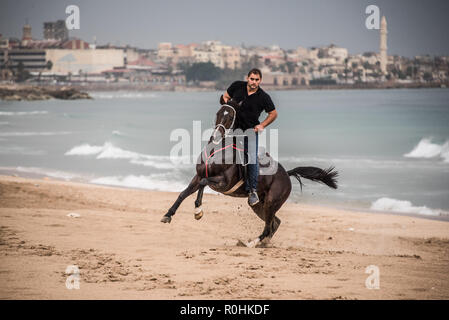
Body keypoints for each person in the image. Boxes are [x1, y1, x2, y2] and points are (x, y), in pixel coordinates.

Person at [222, 68, 278, 206]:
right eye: (252, 79)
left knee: (252, 157)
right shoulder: (236, 86)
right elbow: (225, 97)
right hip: (233, 129)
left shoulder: (263, 97)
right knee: (217, 146)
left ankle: (252, 190)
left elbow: (273, 114)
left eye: (256, 80)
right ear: (248, 78)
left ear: (260, 81)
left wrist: (262, 125)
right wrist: (228, 108)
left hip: (250, 132)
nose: (253, 82)